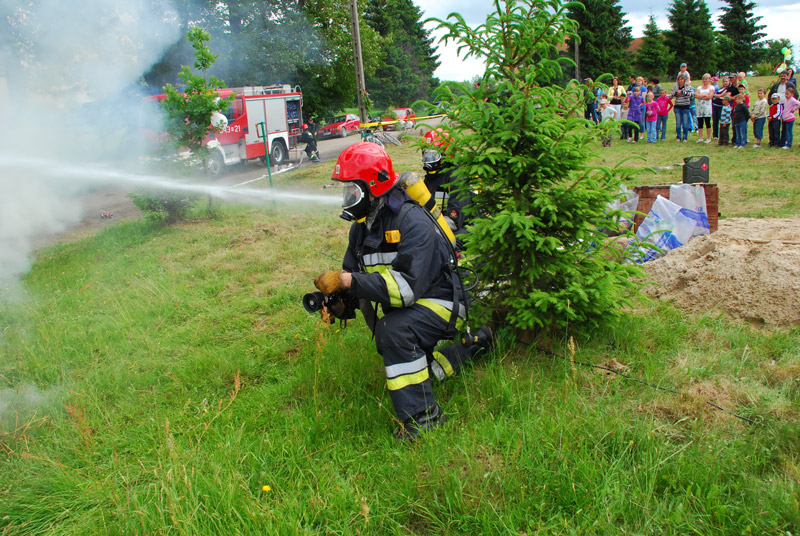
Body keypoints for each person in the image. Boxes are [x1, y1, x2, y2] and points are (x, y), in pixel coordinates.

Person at [314, 143, 493, 442]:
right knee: (414, 366)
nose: (347, 199)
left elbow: (406, 288)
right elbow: (357, 275)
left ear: (373, 187)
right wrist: (340, 303)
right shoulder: (361, 229)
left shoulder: (412, 221)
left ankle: (424, 420)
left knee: (393, 332)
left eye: (352, 191)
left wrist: (349, 283)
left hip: (444, 301)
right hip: (412, 305)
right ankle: (471, 348)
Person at [422, 128, 471, 238]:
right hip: (438, 225)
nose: (428, 161)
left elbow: (454, 221)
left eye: (432, 155)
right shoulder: (430, 178)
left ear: (446, 154)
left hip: (461, 229)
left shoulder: (455, 177)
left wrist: (428, 229)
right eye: (426, 155)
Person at [670, 74, 695, 142]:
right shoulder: (675, 86)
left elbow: (692, 94)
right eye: (679, 79)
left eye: (682, 79)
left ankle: (685, 137)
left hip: (685, 106)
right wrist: (675, 93)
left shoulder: (688, 87)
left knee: (685, 122)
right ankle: (678, 137)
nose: (680, 81)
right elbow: (671, 96)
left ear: (684, 80)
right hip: (678, 106)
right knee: (678, 123)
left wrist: (683, 92)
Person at [695, 73, 715, 143]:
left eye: (706, 79)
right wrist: (704, 95)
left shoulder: (711, 87)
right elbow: (696, 95)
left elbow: (709, 97)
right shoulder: (699, 87)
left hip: (707, 107)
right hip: (700, 106)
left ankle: (708, 137)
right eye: (703, 79)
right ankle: (700, 137)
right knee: (700, 122)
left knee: (707, 122)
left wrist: (701, 96)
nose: (704, 80)